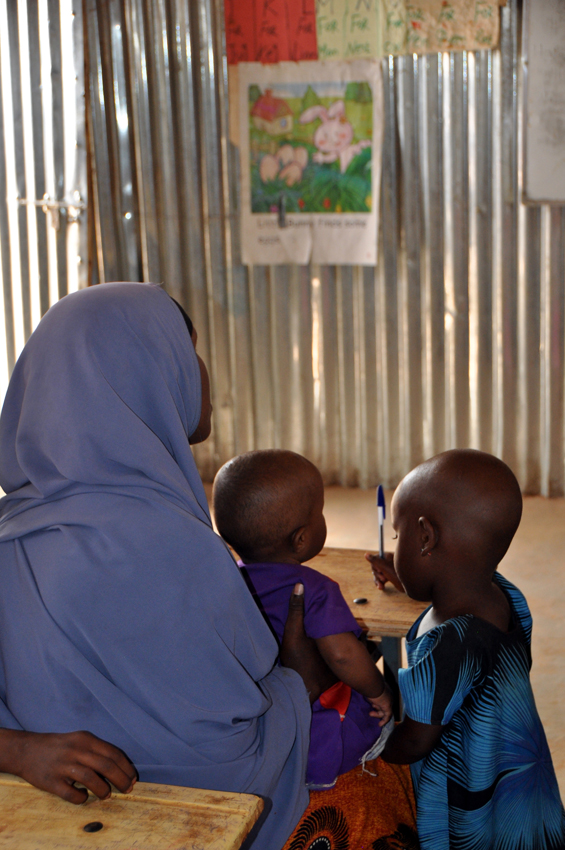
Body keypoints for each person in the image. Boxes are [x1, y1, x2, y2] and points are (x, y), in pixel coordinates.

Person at [0, 282, 417, 850]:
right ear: (146, 372)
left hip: (47, 806)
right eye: (187, 350)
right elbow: (229, 744)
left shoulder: (12, 530)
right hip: (180, 811)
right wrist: (300, 677)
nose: (200, 371)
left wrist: (18, 750)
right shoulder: (170, 544)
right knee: (379, 778)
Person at [367, 449, 565, 850]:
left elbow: (415, 742)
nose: (396, 544)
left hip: (471, 793)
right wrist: (407, 580)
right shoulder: (504, 595)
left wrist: (367, 744)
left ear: (425, 537)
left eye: (398, 535)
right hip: (516, 781)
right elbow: (459, 582)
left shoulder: (450, 644)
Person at [213, 449, 393, 790]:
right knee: (383, 721)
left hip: (260, 734)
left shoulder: (225, 583)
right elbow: (342, 655)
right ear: (301, 539)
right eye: (320, 512)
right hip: (320, 738)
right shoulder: (314, 588)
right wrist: (380, 691)